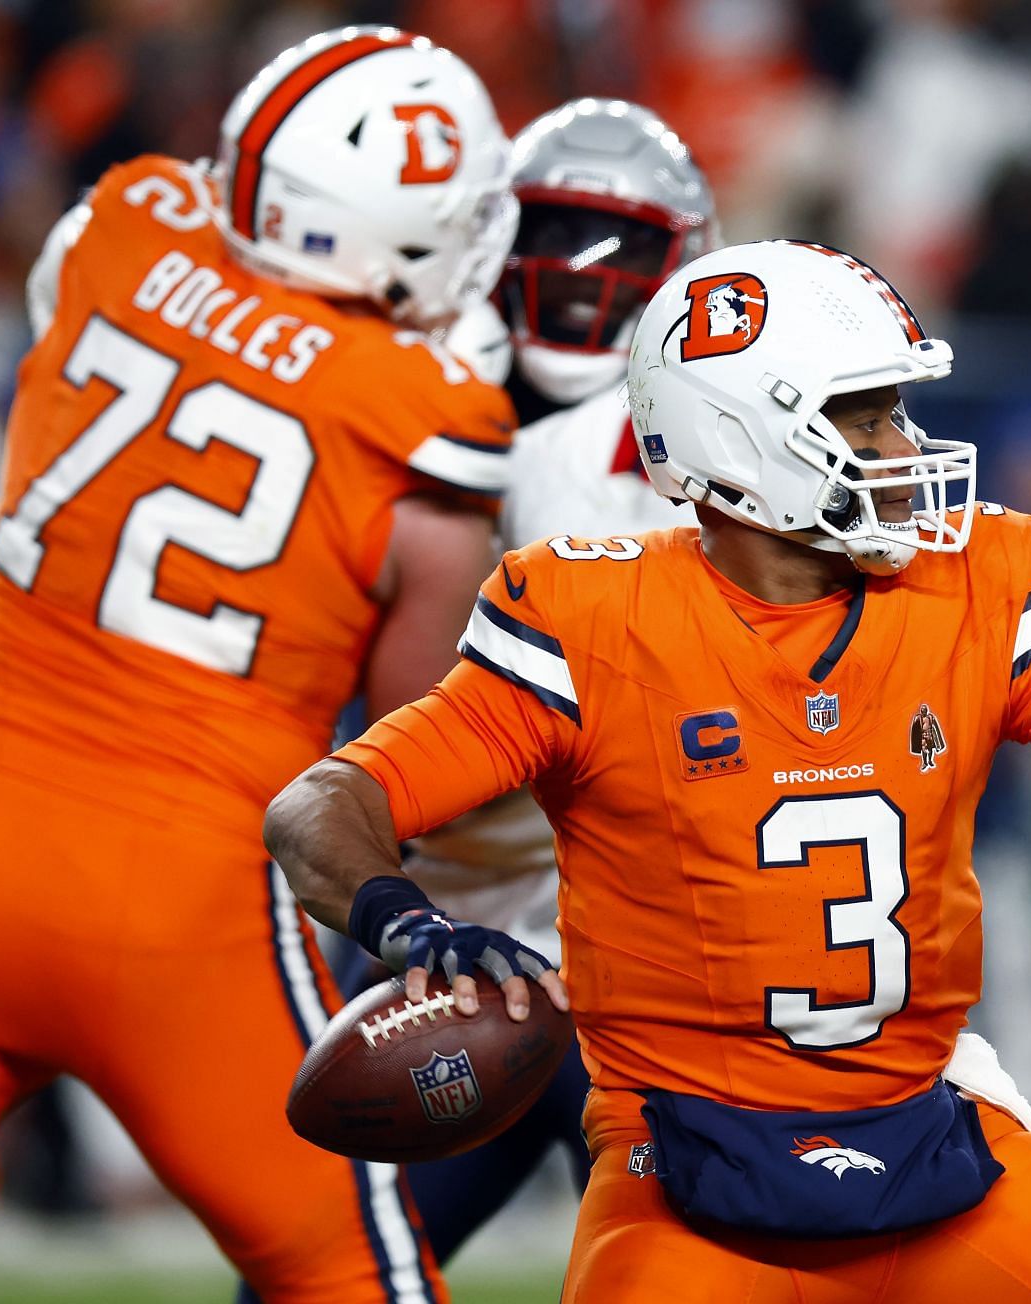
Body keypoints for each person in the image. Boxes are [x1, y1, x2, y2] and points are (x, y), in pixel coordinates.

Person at [265, 239, 1031, 1302]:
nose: (905, 446)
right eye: (865, 416)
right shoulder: (592, 617)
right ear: (740, 433)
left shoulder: (970, 579)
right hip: (686, 1167)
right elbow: (329, 803)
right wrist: (406, 922)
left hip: (928, 1136)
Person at [0, 27, 517, 1304]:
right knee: (351, 1275)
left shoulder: (123, 225)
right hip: (181, 897)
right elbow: (419, 734)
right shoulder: (429, 409)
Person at [384, 97, 712, 1262]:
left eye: (618, 248)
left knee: (670, 1273)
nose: (577, 280)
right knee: (329, 1256)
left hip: (651, 957)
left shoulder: (691, 451)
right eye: (551, 237)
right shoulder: (427, 401)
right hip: (465, 932)